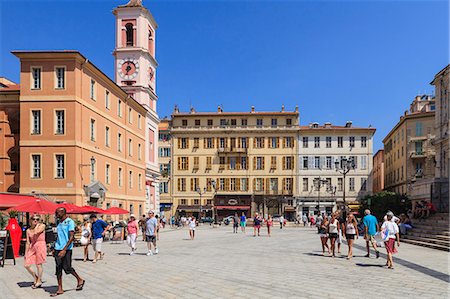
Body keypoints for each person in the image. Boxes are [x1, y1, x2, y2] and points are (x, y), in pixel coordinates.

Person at [51, 208, 84, 297]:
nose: (56, 214)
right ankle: (60, 288)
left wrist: (64, 249)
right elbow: (58, 236)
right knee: (58, 268)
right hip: (58, 247)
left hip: (67, 249)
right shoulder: (58, 222)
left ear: (63, 212)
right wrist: (54, 247)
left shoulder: (70, 222)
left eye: (57, 213)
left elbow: (71, 237)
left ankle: (79, 279)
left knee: (67, 268)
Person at [24, 214, 46, 289]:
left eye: (37, 219)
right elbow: (28, 242)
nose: (35, 220)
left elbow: (36, 232)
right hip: (33, 246)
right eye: (33, 219)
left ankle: (39, 280)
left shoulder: (42, 226)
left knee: (38, 264)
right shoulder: (28, 230)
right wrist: (26, 253)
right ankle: (36, 277)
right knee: (26, 265)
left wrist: (37, 225)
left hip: (40, 245)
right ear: (30, 220)